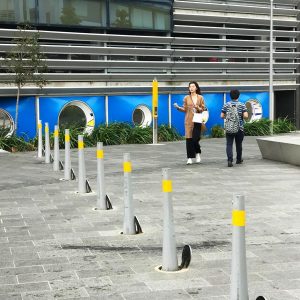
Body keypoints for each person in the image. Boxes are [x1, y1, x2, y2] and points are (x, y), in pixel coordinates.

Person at [174, 81, 205, 165]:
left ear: (196, 88)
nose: (191, 88)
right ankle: (189, 158)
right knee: (189, 139)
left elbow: (203, 109)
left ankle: (198, 153)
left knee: (195, 139)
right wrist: (178, 107)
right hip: (188, 121)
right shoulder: (186, 98)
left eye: (193, 86)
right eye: (190, 86)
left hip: (197, 120)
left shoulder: (200, 97)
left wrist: (198, 107)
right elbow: (184, 109)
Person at [221, 89, 248, 167]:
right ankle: (239, 159)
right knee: (238, 144)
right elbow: (246, 116)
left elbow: (222, 116)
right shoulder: (242, 105)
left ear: (230, 96)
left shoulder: (226, 105)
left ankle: (230, 160)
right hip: (239, 128)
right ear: (238, 95)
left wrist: (229, 117)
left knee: (229, 144)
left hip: (229, 127)